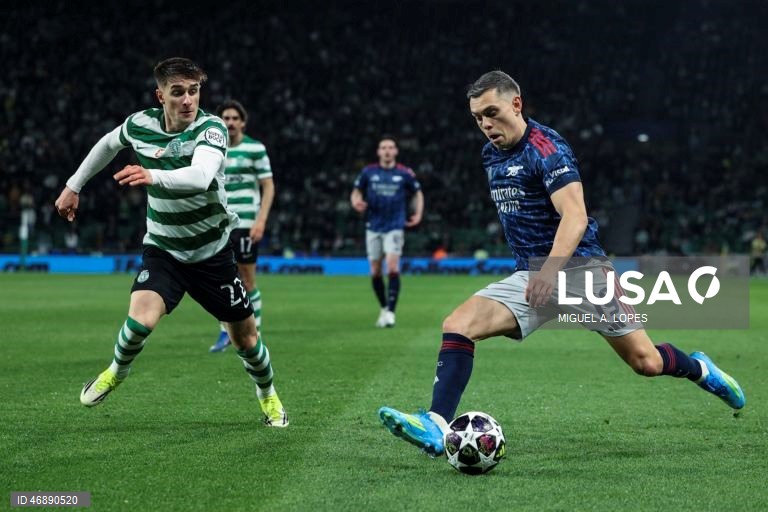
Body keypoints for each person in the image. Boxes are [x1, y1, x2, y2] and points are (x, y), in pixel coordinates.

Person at [378, 71, 745, 456]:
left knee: (646, 361)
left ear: (516, 104)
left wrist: (549, 272)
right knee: (458, 325)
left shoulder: (547, 148)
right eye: (476, 117)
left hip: (582, 272)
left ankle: (701, 369)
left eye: (492, 112)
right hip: (532, 274)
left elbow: (575, 216)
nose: (485, 124)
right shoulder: (490, 154)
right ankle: (436, 425)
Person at [53, 57, 288, 427]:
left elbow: (200, 175)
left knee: (246, 340)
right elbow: (107, 144)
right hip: (164, 248)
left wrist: (152, 174)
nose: (187, 100)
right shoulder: (140, 124)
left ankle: (268, 395)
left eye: (193, 91)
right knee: (141, 318)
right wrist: (73, 185)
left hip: (212, 253)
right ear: (159, 95)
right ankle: (116, 371)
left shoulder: (211, 129)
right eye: (177, 92)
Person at [209, 99, 275, 352]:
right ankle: (225, 333)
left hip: (246, 223)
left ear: (243, 123)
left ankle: (254, 332)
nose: (230, 122)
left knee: (247, 281)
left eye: (235, 118)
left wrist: (261, 220)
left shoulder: (255, 149)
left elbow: (268, 185)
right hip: (219, 224)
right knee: (220, 280)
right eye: (226, 118)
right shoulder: (213, 150)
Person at [350, 136, 424, 327]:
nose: (387, 150)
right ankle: (383, 307)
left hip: (395, 225)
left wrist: (418, 212)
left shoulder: (404, 173)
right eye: (384, 147)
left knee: (392, 267)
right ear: (379, 151)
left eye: (391, 147)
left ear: (396, 151)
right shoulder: (368, 172)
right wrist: (355, 202)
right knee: (375, 272)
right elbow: (356, 191)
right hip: (373, 226)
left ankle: (391, 311)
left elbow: (418, 192)